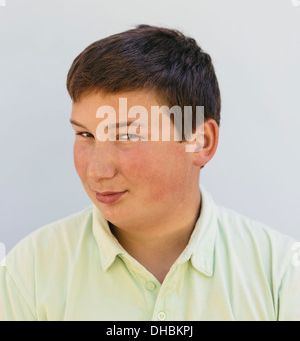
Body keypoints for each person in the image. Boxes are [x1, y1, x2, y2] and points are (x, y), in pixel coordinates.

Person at [0, 25, 299, 321]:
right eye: (85, 135)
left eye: (127, 136)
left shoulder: (282, 277)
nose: (96, 171)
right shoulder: (29, 272)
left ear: (201, 141)